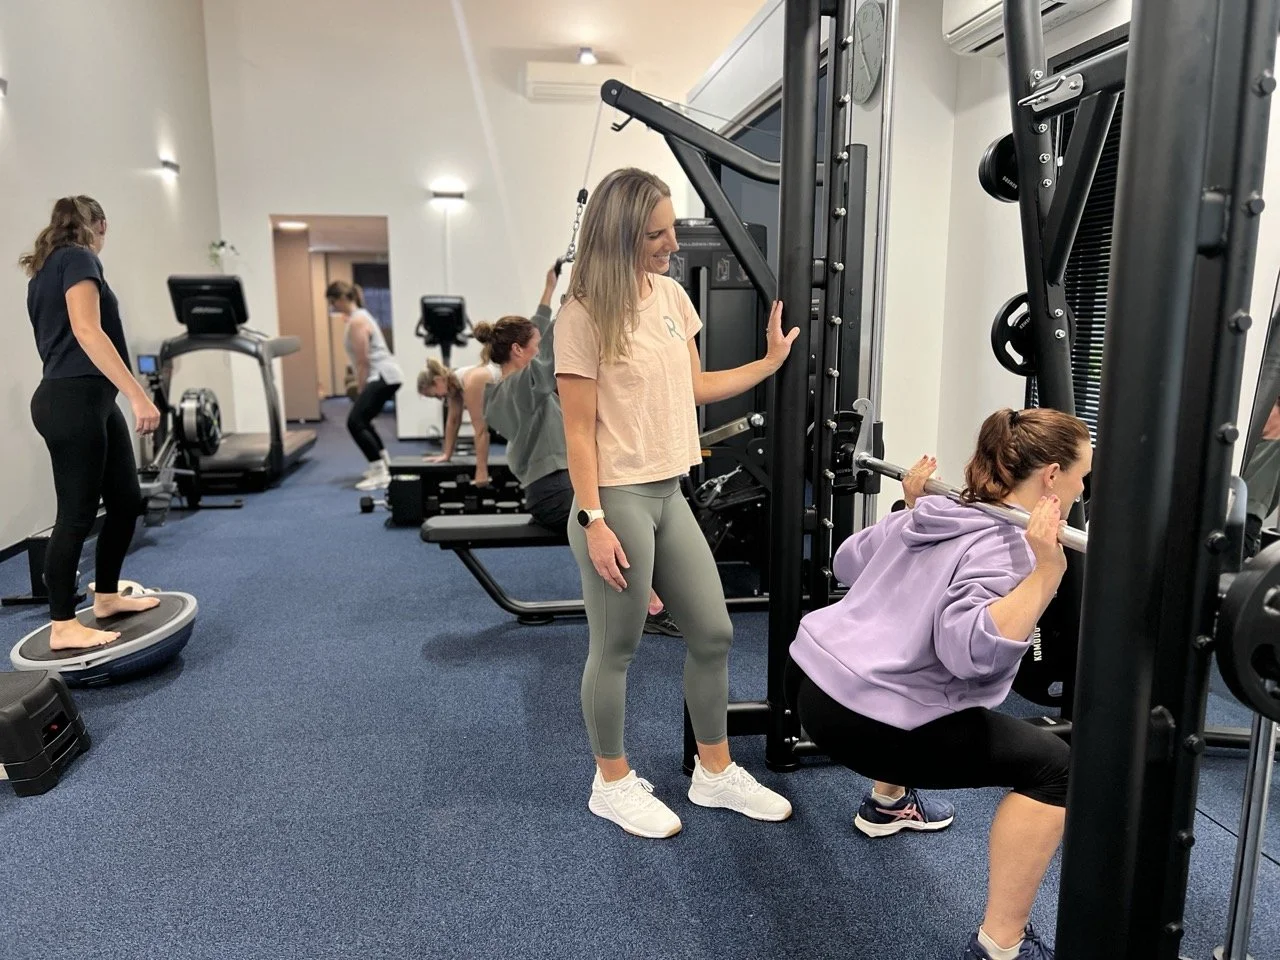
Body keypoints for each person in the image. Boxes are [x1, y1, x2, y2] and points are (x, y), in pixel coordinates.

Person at [788, 407, 1092, 960]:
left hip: (814, 692)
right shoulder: (1007, 545)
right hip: (872, 728)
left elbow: (847, 563)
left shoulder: (937, 514)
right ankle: (1003, 946)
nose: (1081, 486)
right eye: (1080, 474)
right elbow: (969, 654)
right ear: (1051, 475)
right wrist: (1047, 571)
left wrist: (907, 507)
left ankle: (887, 803)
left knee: (905, 664)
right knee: (1057, 770)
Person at [555, 167, 799, 839]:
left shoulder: (669, 297)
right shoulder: (581, 314)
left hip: (670, 490)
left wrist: (769, 364)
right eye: (655, 234)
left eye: (670, 229)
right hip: (616, 497)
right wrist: (594, 519)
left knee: (714, 632)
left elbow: (694, 385)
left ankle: (713, 773)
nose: (671, 244)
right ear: (619, 234)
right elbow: (578, 430)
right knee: (618, 646)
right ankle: (611, 782)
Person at [482, 261, 679, 638]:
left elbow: (539, 344)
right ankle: (648, 608)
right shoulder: (518, 390)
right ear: (519, 351)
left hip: (557, 485)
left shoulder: (509, 391)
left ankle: (653, 598)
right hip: (552, 491)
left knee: (632, 506)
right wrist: (574, 301)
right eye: (533, 347)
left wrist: (549, 289)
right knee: (621, 523)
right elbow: (551, 354)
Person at [19, 196, 162, 651]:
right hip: (73, 399)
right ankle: (63, 623)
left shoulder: (46, 267)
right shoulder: (79, 257)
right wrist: (138, 394)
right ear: (100, 224)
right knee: (77, 515)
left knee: (125, 501)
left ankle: (106, 596)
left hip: (88, 399)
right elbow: (87, 330)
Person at [326, 280, 403, 492]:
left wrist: (360, 388)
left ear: (342, 299)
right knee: (364, 421)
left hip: (382, 375)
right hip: (387, 375)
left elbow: (363, 360)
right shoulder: (358, 318)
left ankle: (379, 472)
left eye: (333, 302)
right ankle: (385, 465)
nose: (333, 307)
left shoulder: (358, 320)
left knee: (355, 422)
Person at [417, 354, 500, 488]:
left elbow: (481, 431)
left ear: (438, 381)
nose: (439, 399)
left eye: (435, 395)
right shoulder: (454, 383)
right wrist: (446, 455)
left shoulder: (469, 381)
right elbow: (453, 421)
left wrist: (481, 471)